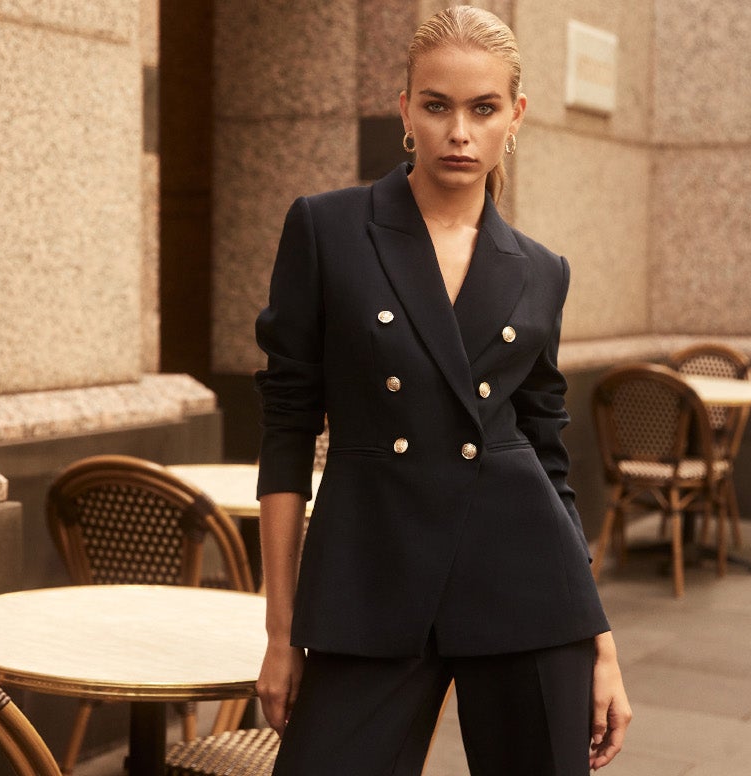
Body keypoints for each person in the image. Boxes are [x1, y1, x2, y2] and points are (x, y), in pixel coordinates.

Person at [253, 7, 630, 774]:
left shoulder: (540, 269)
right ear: (406, 110)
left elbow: (549, 460)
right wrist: (280, 633)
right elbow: (288, 431)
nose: (459, 132)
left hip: (527, 586)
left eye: (483, 108)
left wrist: (600, 639)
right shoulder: (329, 230)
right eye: (438, 105)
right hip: (371, 577)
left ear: (514, 117)